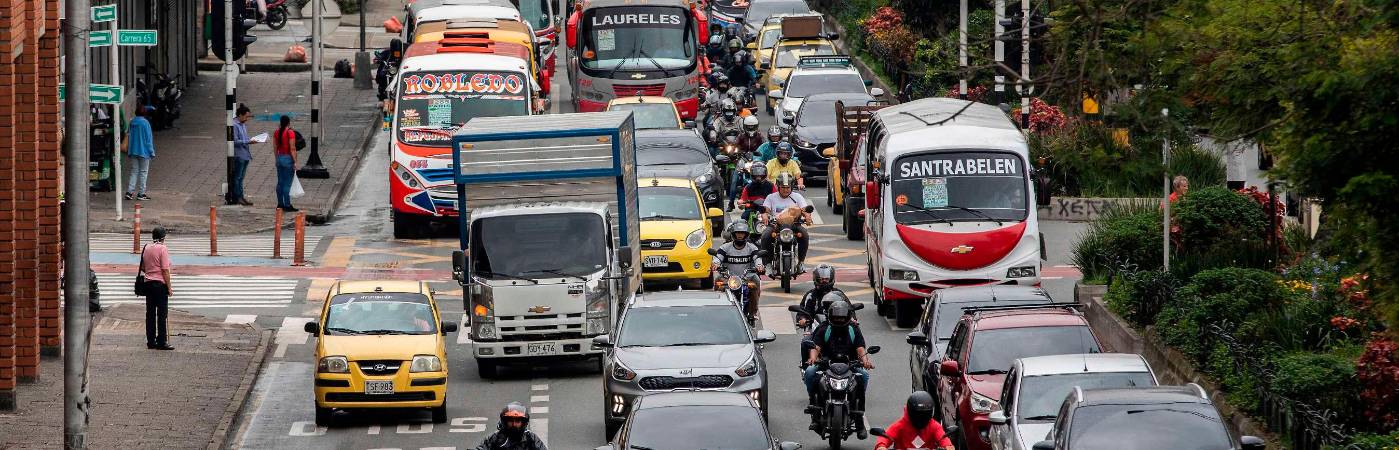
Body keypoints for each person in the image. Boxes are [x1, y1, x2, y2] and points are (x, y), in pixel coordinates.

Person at [804, 299, 872, 432]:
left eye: (842, 317)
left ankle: (859, 421)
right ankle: (815, 410)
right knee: (810, 372)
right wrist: (812, 359)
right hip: (826, 364)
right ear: (830, 316)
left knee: (863, 376)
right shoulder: (824, 328)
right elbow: (815, 346)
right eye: (836, 317)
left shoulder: (853, 328)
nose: (839, 319)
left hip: (850, 364)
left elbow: (860, 348)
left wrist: (865, 361)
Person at [712, 222, 764, 321]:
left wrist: (759, 266)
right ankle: (716, 309)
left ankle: (752, 313)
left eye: (742, 233)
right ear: (733, 234)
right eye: (737, 233)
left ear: (746, 234)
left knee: (756, 281)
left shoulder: (752, 247)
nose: (740, 235)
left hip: (747, 278)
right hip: (728, 278)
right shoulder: (725, 247)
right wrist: (715, 264)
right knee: (718, 281)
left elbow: (757, 258)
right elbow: (718, 257)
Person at [759, 173, 812, 271]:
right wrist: (764, 216)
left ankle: (801, 262)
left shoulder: (797, 197)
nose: (785, 190)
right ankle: (768, 264)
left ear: (791, 187)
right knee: (765, 236)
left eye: (788, 187)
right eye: (783, 187)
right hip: (776, 225)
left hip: (794, 225)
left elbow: (804, 209)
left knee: (804, 235)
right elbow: (765, 210)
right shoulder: (771, 197)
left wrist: (808, 217)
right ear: (778, 187)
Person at [875, 391, 956, 450]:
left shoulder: (934, 426)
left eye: (924, 414)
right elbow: (886, 436)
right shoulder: (900, 425)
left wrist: (948, 446)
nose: (921, 418)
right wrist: (881, 446)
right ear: (910, 411)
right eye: (918, 414)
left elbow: (943, 438)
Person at [140, 226, 174, 350]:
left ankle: (150, 341)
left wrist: (151, 271)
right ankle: (162, 341)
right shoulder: (163, 249)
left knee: (150, 314)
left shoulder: (147, 247)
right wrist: (169, 288)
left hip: (148, 284)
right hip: (160, 285)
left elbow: (143, 267)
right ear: (163, 237)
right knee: (162, 313)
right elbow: (165, 270)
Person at [474, 402, 547, 450]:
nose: (514, 424)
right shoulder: (495, 437)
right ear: (504, 422)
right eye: (510, 421)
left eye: (517, 421)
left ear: (524, 423)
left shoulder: (531, 437)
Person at [122, 105, 157, 201]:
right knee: (143, 172)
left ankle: (129, 192)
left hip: (133, 150)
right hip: (144, 151)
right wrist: (151, 152)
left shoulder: (132, 122)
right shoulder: (146, 123)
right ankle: (141, 193)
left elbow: (128, 134)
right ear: (145, 113)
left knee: (134, 171)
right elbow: (148, 140)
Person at [228, 104, 257, 206]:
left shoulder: (243, 124)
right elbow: (235, 141)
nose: (247, 119)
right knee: (237, 177)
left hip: (245, 154)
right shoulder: (234, 125)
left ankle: (241, 196)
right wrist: (248, 141)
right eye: (246, 116)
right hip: (239, 155)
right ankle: (237, 196)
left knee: (241, 177)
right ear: (240, 115)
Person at [273, 115, 299, 212]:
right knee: (287, 184)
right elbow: (292, 148)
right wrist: (295, 161)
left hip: (279, 158)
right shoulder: (290, 132)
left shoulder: (276, 132)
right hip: (287, 158)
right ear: (289, 122)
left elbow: (275, 147)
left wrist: (276, 158)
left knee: (280, 182)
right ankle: (287, 205)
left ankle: (280, 204)